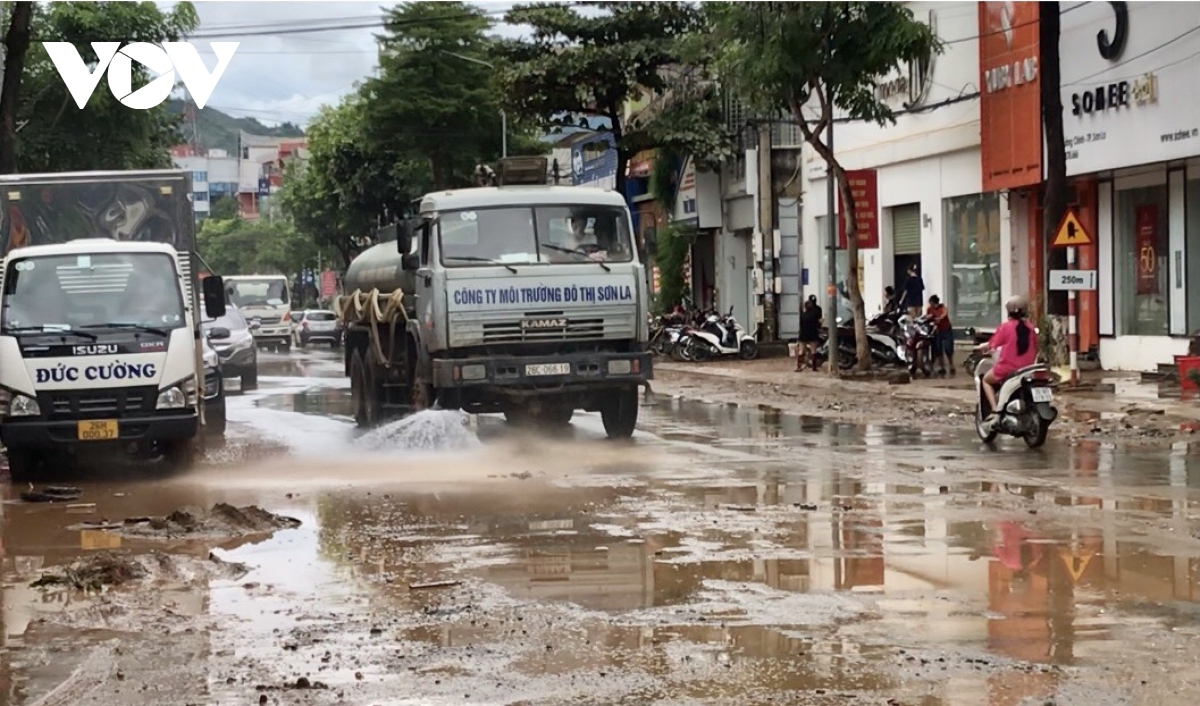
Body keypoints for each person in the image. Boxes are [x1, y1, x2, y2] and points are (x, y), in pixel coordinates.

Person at [976, 294, 1038, 426]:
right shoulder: (1031, 328)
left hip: (1008, 369)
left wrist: (982, 347)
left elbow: (992, 344)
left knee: (986, 380)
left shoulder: (1005, 327)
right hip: (1028, 369)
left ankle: (994, 411)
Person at [926, 294, 954, 376]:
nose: (931, 305)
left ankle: (951, 365)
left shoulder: (942, 307)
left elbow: (945, 313)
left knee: (948, 348)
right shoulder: (929, 309)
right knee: (938, 349)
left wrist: (940, 318)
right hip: (937, 331)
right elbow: (927, 317)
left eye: (932, 303)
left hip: (946, 330)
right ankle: (942, 367)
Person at [796, 295, 823, 372]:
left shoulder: (803, 315)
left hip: (803, 335)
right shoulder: (815, 313)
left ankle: (799, 367)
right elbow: (818, 324)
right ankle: (814, 368)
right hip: (813, 334)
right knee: (813, 351)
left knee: (801, 351)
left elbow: (800, 325)